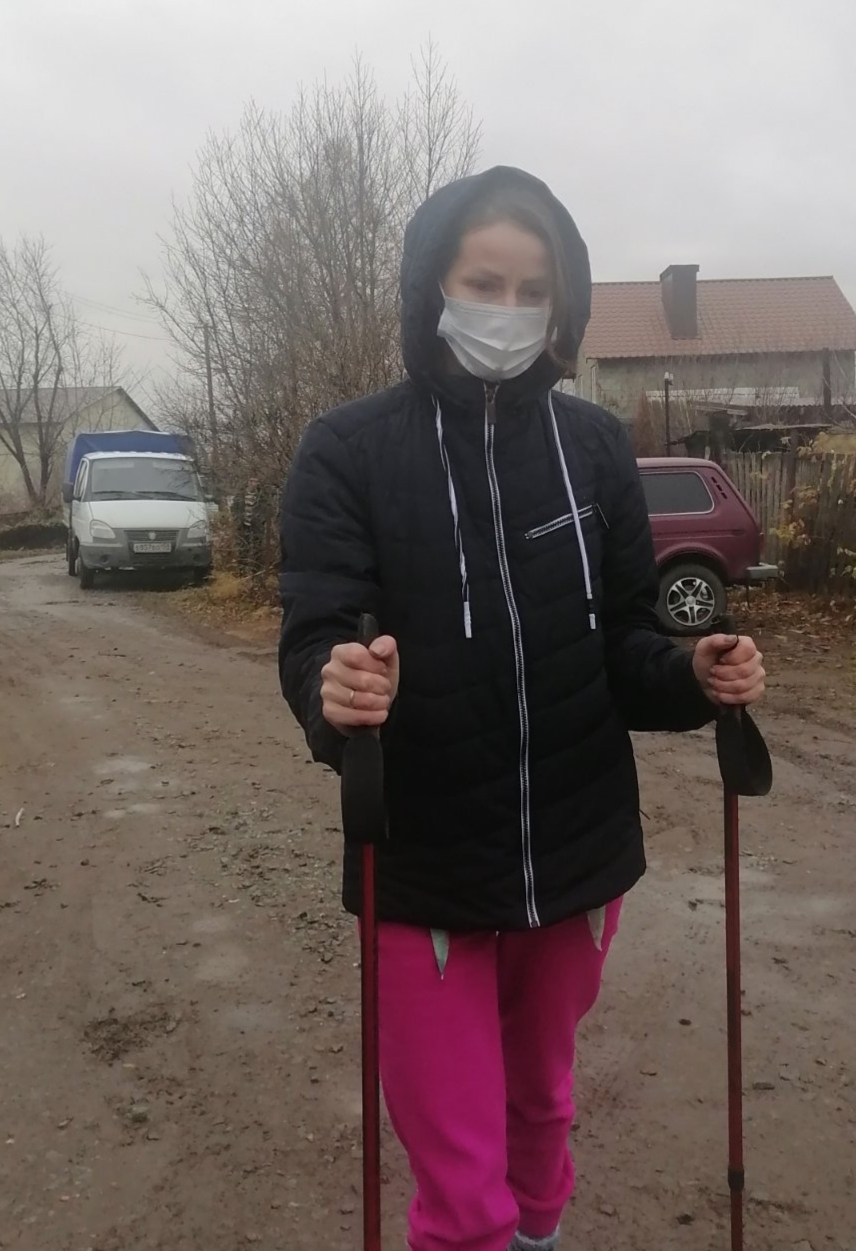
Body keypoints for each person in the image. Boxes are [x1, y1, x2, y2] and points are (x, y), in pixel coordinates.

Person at [278, 166, 766, 1251]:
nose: (506, 310)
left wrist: (692, 673)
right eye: (482, 283)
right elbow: (315, 636)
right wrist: (333, 688)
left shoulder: (592, 448)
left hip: (575, 858)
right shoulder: (347, 451)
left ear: (562, 303)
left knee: (539, 1113)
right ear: (431, 287)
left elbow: (625, 644)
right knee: (462, 1186)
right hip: (424, 868)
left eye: (531, 290)